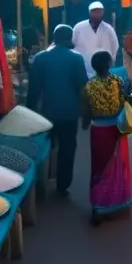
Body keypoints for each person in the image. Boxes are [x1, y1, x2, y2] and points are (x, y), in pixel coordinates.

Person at [26, 24, 88, 196]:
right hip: (69, 113)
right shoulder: (76, 58)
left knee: (43, 148)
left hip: (46, 114)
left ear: (54, 37)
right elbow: (83, 88)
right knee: (67, 148)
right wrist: (85, 114)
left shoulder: (40, 58)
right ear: (70, 39)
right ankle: (63, 184)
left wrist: (29, 112)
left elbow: (34, 90)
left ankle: (41, 183)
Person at [82, 51, 132, 224]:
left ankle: (98, 206)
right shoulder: (118, 81)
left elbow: (87, 109)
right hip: (116, 129)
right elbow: (125, 102)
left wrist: (84, 123)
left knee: (99, 168)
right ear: (110, 64)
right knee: (117, 165)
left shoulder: (89, 85)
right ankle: (118, 201)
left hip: (98, 129)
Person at [73, 1, 119, 78]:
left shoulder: (108, 28)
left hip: (105, 73)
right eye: (94, 11)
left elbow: (115, 46)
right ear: (89, 13)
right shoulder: (79, 27)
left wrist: (111, 62)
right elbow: (72, 44)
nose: (97, 14)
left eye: (99, 11)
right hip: (85, 71)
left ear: (103, 13)